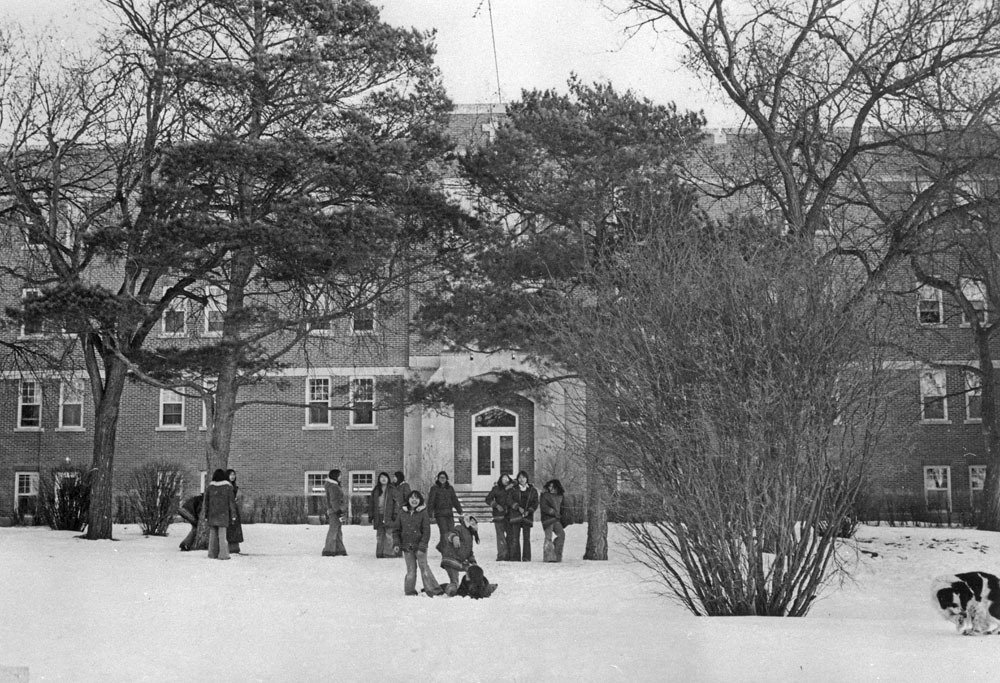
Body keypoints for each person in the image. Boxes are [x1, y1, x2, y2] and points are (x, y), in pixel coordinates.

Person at [389, 490, 444, 596]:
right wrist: (396, 544)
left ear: (420, 500)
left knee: (424, 567)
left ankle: (433, 589)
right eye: (412, 498)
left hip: (420, 547)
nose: (414, 500)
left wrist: (423, 545)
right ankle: (409, 590)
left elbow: (426, 531)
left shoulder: (423, 513)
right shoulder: (402, 512)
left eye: (417, 498)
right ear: (408, 500)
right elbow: (396, 530)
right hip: (407, 547)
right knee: (411, 569)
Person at [440, 515, 480, 596]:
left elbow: (469, 552)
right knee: (454, 581)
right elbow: (452, 533)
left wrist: (473, 562)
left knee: (475, 571)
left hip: (459, 562)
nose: (473, 523)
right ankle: (451, 590)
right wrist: (454, 537)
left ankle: (480, 586)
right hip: (451, 560)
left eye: (475, 522)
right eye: (471, 521)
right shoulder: (460, 528)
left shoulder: (470, 535)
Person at [425, 470, 463, 553]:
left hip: (449, 513)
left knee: (451, 531)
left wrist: (459, 510)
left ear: (446, 479)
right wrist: (430, 513)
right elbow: (431, 501)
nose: (442, 479)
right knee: (444, 531)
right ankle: (446, 550)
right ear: (438, 479)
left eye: (444, 477)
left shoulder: (450, 488)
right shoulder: (434, 488)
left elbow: (454, 500)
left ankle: (441, 546)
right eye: (440, 477)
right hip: (440, 514)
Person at [205, 468, 238, 560]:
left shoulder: (210, 487)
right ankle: (223, 554)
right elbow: (231, 503)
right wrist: (233, 515)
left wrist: (206, 515)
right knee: (222, 536)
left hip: (212, 514)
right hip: (223, 515)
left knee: (212, 536)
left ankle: (212, 553)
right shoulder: (228, 487)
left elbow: (206, 503)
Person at [507, 470, 539, 562]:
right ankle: (515, 557)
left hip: (527, 516)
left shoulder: (532, 490)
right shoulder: (513, 489)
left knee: (526, 538)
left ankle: (526, 557)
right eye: (520, 477)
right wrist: (517, 507)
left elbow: (535, 502)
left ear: (527, 479)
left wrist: (529, 511)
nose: (522, 479)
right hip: (516, 515)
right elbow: (509, 500)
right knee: (515, 537)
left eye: (523, 477)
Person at [484, 474, 514, 561]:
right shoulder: (496, 489)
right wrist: (496, 505)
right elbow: (488, 499)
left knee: (510, 535)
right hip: (499, 515)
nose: (505, 480)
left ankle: (509, 554)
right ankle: (501, 554)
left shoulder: (512, 488)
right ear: (500, 480)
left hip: (509, 515)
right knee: (500, 536)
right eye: (503, 478)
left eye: (507, 478)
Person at [370, 472, 398, 558]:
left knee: (389, 534)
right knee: (379, 535)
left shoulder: (392, 489)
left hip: (389, 515)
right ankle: (380, 553)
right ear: (379, 479)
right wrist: (371, 515)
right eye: (381, 477)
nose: (383, 479)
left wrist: (395, 513)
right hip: (379, 515)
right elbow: (371, 503)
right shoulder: (376, 490)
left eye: (385, 477)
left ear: (388, 479)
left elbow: (396, 503)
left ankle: (389, 553)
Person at [322, 468, 348, 557]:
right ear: (335, 476)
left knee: (337, 530)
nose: (341, 477)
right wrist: (339, 512)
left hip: (336, 511)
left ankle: (339, 549)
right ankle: (329, 550)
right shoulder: (334, 487)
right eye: (339, 475)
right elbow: (334, 501)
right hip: (335, 512)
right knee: (333, 530)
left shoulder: (333, 486)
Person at [540, 479, 566, 562]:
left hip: (556, 519)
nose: (551, 488)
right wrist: (554, 512)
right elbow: (544, 507)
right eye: (549, 486)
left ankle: (557, 556)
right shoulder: (544, 495)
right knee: (548, 538)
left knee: (561, 535)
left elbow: (563, 508)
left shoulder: (560, 496)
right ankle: (548, 557)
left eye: (553, 486)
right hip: (547, 519)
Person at [226, 469, 244, 554]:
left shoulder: (233, 485)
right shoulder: (228, 486)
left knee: (234, 527)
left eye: (234, 475)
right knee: (232, 527)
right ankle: (232, 547)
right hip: (229, 509)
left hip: (233, 508)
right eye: (231, 475)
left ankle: (234, 546)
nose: (233, 476)